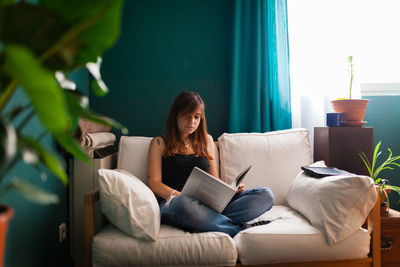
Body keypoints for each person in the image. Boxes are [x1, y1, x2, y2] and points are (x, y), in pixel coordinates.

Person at [148, 91, 274, 237]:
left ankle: (205, 221)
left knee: (265, 194)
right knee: (184, 205)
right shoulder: (159, 143)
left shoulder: (207, 141)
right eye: (187, 116)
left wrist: (230, 190)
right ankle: (236, 228)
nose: (192, 121)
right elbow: (154, 183)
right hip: (175, 204)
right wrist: (181, 196)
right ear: (176, 115)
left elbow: (214, 179)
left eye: (196, 117)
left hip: (207, 205)